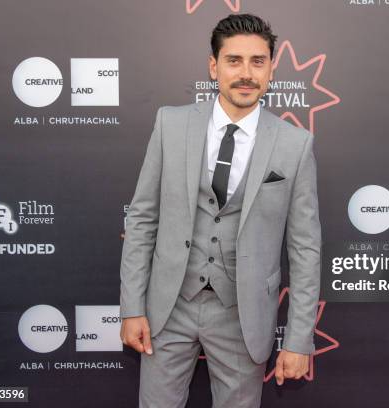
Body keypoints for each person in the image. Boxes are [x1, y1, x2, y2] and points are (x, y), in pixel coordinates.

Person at [119, 13, 321, 408]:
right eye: (234, 60)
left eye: (257, 61)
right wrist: (132, 308)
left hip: (243, 316)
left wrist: (298, 340)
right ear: (214, 67)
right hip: (167, 307)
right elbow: (142, 220)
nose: (246, 73)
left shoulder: (295, 145)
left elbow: (305, 249)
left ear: (271, 69)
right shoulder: (170, 125)